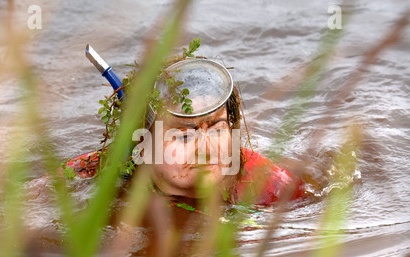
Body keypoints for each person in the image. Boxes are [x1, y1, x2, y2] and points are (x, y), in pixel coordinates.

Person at [65, 57, 305, 206]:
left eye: (216, 127)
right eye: (184, 135)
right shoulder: (101, 172)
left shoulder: (270, 186)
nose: (206, 148)